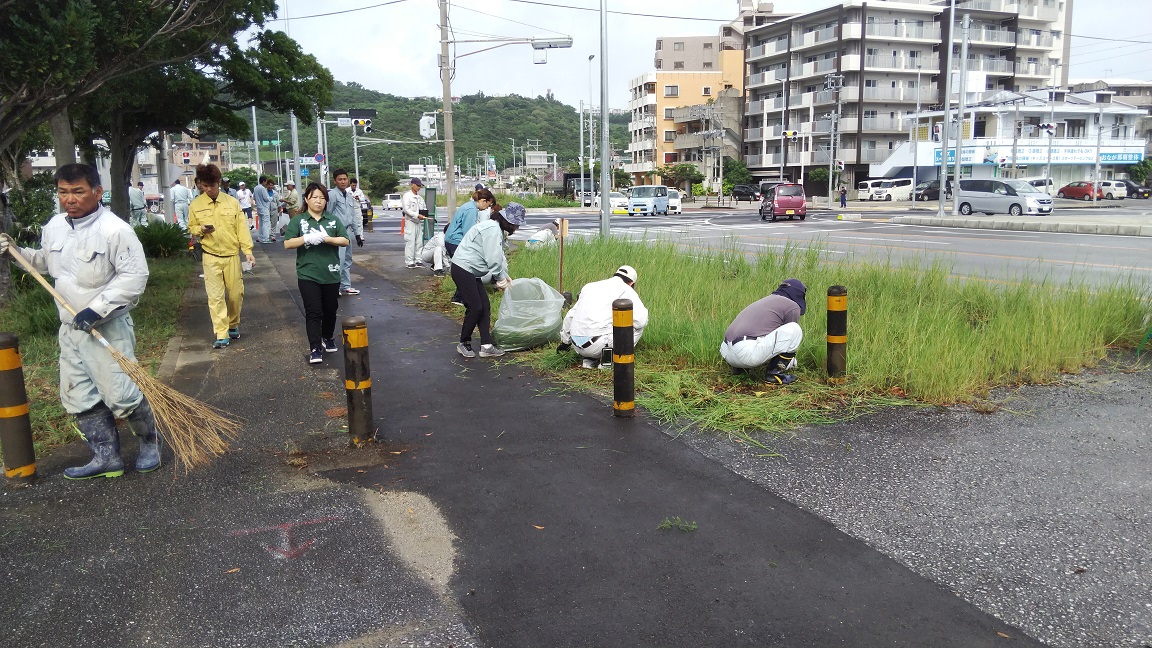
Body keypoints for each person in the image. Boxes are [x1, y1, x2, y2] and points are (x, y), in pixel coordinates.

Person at [0, 163, 160, 479]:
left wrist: (97, 309)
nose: (69, 199)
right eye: (63, 192)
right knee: (79, 396)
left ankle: (150, 444)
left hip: (107, 327)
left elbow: (134, 276)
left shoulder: (115, 230)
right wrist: (16, 252)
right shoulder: (54, 227)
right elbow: (46, 263)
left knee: (122, 395)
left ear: (97, 192)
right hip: (70, 329)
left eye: (77, 191)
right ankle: (106, 458)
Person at [187, 163, 255, 349]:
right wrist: (200, 229)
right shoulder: (196, 204)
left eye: (212, 185)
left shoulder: (232, 202)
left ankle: (233, 324)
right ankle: (221, 333)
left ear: (218, 182)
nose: (208, 189)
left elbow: (242, 228)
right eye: (204, 186)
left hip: (231, 255)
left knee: (236, 294)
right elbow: (191, 227)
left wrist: (247, 251)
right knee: (215, 297)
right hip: (210, 256)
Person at [284, 182, 350, 364]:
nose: (318, 201)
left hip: (331, 273)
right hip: (308, 274)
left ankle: (327, 336)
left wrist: (326, 238)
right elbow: (287, 243)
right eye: (314, 197)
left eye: (322, 198)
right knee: (313, 311)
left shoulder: (332, 220)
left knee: (330, 309)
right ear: (306, 199)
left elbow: (345, 240)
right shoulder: (299, 220)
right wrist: (306, 238)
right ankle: (315, 347)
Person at [450, 203, 526, 358]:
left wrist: (505, 275)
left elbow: (500, 257)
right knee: (475, 307)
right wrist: (500, 278)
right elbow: (493, 259)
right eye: (515, 224)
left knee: (484, 306)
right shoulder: (492, 230)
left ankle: (486, 346)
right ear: (507, 221)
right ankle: (464, 342)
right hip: (463, 268)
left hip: (471, 270)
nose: (516, 228)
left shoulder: (496, 228)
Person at [719, 278, 807, 385]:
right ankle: (774, 374)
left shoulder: (767, 300)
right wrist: (790, 362)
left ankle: (740, 369)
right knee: (794, 329)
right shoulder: (792, 305)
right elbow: (788, 341)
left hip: (726, 353)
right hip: (745, 354)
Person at [559, 265, 649, 369]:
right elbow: (641, 320)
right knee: (639, 326)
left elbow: (570, 316)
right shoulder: (626, 289)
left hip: (577, 345)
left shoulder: (589, 286)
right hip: (598, 346)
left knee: (599, 326)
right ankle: (607, 361)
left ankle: (588, 361)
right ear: (632, 283)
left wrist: (565, 342)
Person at [328, 168, 364, 295]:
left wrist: (357, 234)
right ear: (335, 181)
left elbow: (353, 216)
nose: (343, 182)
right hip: (337, 232)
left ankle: (345, 286)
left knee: (348, 260)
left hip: (347, 231)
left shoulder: (349, 196)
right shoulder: (332, 195)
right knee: (339, 260)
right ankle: (335, 287)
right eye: (340, 179)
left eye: (345, 179)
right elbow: (328, 213)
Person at [400, 177, 428, 269]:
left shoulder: (420, 198)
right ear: (412, 185)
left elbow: (423, 208)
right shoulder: (407, 196)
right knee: (410, 242)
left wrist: (424, 215)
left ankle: (418, 260)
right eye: (417, 185)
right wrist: (416, 215)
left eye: (420, 186)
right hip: (410, 221)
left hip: (418, 222)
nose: (419, 187)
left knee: (419, 242)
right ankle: (409, 261)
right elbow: (406, 209)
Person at [253, 175, 275, 243]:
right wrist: (271, 198)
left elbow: (254, 197)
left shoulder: (256, 188)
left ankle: (261, 237)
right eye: (266, 182)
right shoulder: (262, 188)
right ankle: (265, 238)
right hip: (264, 207)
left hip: (259, 207)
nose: (266, 183)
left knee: (261, 223)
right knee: (266, 223)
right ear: (263, 181)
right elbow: (266, 198)